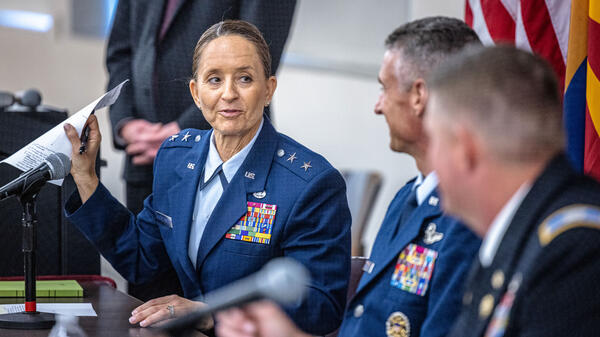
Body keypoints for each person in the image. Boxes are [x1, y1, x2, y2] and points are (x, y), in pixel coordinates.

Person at [63, 20, 350, 336]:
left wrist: (212, 314)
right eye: (214, 80)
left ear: (268, 90)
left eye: (244, 78)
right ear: (196, 93)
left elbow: (322, 307)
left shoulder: (310, 184)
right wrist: (86, 177)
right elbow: (143, 259)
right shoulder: (175, 157)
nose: (228, 94)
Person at [215, 17, 482, 337]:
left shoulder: (468, 220)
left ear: (419, 95)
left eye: (384, 88)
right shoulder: (407, 199)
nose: (378, 106)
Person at [106, 0, 296, 302]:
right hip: (144, 154)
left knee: (217, 290)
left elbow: (256, 61)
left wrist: (184, 131)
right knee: (148, 298)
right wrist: (126, 123)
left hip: (231, 150)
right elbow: (120, 52)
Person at [424, 46, 600, 336]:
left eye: (433, 141)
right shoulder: (519, 232)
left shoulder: (574, 248)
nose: (430, 160)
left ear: (465, 150)